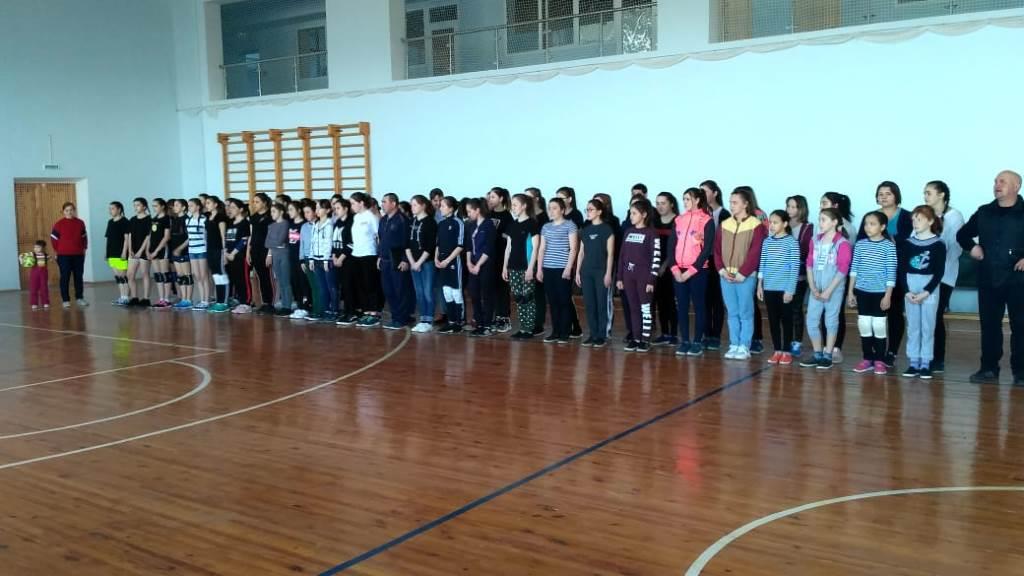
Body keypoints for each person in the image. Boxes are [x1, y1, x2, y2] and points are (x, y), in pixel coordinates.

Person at [956, 170, 1024, 385]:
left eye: (1002, 181)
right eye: (995, 181)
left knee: (1021, 326)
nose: (997, 185)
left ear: (1016, 186)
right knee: (989, 326)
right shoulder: (984, 211)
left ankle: (1021, 372)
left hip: (1019, 280)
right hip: (989, 278)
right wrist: (972, 247)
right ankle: (988, 369)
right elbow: (962, 235)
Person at [859, 181, 913, 367]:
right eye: (880, 194)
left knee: (895, 313)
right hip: (871, 275)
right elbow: (861, 241)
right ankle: (874, 353)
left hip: (896, 272)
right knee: (872, 317)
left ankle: (891, 351)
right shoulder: (870, 217)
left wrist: (889, 241)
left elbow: (910, 242)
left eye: (888, 193)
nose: (883, 197)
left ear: (896, 196)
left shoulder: (907, 216)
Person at [714, 187, 767, 360]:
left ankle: (744, 345)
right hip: (726, 276)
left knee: (745, 312)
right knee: (732, 312)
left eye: (735, 202)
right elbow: (717, 250)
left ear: (745, 204)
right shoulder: (724, 224)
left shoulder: (755, 225)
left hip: (745, 277)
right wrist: (721, 270)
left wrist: (743, 272)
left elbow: (755, 252)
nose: (731, 205)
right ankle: (734, 344)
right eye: (730, 202)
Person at [799, 208, 851, 370]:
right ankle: (817, 353)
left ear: (834, 222)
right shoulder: (815, 240)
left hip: (833, 290)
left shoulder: (842, 243)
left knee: (831, 321)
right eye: (819, 219)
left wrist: (828, 291)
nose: (820, 223)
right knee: (811, 320)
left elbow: (843, 269)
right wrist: (813, 287)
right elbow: (809, 264)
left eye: (824, 220)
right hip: (816, 290)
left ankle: (828, 354)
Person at [848, 211, 898, 376]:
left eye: (872, 224)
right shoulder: (860, 245)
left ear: (882, 227)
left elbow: (891, 272)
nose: (868, 227)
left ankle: (879, 360)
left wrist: (888, 295)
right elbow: (854, 269)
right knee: (864, 324)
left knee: (878, 325)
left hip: (880, 293)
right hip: (862, 291)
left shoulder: (888, 246)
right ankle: (867, 358)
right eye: (866, 224)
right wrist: (850, 292)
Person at [901, 205, 946, 380]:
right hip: (911, 286)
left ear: (931, 221)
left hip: (929, 288)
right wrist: (907, 291)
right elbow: (902, 269)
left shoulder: (938, 244)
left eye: (919, 219)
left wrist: (926, 292)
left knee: (928, 326)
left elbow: (939, 272)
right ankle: (913, 362)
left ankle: (926, 362)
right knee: (913, 326)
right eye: (913, 219)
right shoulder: (908, 243)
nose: (915, 223)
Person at [923, 180, 964, 374]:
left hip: (944, 274)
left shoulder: (954, 216)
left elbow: (955, 247)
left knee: (936, 315)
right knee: (924, 316)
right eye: (925, 193)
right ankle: (924, 355)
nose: (925, 196)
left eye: (929, 192)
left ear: (942, 195)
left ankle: (937, 358)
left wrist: (937, 260)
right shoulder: (925, 214)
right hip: (923, 274)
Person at [671, 187, 715, 357]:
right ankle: (685, 341)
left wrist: (690, 272)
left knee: (699, 306)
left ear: (697, 200)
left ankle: (697, 341)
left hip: (698, 271)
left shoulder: (706, 220)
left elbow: (707, 250)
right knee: (681, 306)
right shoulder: (678, 219)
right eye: (684, 199)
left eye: (688, 199)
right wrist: (675, 269)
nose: (685, 202)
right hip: (678, 271)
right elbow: (671, 246)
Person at [757, 210, 800, 365]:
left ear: (785, 224)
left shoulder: (791, 242)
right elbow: (762, 264)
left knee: (786, 320)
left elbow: (794, 268)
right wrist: (760, 285)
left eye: (775, 222)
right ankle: (777, 350)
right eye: (770, 222)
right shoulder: (767, 242)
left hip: (784, 289)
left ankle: (786, 351)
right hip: (769, 288)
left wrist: (790, 290)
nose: (772, 225)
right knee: (773, 320)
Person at [617, 199, 658, 352]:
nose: (631, 216)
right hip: (628, 277)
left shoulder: (651, 233)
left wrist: (651, 279)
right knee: (633, 308)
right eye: (630, 213)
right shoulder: (628, 232)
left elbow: (656, 257)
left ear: (644, 214)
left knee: (645, 308)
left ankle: (645, 340)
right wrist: (620, 277)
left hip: (644, 278)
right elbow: (622, 256)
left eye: (634, 213)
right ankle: (636, 338)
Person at [538, 197, 579, 344]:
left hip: (562, 268)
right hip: (548, 267)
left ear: (562, 210)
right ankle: (555, 331)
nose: (551, 211)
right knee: (553, 301)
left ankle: (565, 332)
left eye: (554, 208)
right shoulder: (546, 227)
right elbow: (542, 249)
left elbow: (573, 248)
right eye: (549, 208)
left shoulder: (570, 225)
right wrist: (539, 269)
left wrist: (568, 268)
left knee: (564, 301)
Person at [819, 192, 854, 362]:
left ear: (835, 206)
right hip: (821, 278)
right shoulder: (820, 227)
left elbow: (846, 259)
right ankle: (825, 346)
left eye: (824, 203)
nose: (821, 206)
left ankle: (835, 347)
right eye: (821, 203)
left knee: (836, 314)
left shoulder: (847, 227)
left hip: (837, 279)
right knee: (822, 314)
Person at [576, 198, 614, 347]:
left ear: (599, 212)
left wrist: (608, 273)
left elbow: (610, 254)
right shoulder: (585, 230)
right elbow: (581, 252)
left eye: (591, 209)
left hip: (601, 271)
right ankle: (592, 334)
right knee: (589, 304)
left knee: (601, 304)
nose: (588, 212)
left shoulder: (607, 229)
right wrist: (578, 272)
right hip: (586, 271)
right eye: (587, 209)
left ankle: (601, 335)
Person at [504, 193, 540, 341]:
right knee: (518, 297)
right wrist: (505, 267)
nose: (513, 208)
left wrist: (531, 268)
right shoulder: (512, 225)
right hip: (513, 266)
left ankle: (529, 329)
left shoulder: (532, 224)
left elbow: (535, 248)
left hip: (526, 267)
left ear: (524, 206)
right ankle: (522, 327)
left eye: (515, 205)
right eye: (512, 205)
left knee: (528, 297)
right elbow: (508, 247)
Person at [379, 193, 414, 329]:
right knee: (388, 290)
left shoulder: (402, 219)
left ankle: (402, 318)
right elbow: (381, 240)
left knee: (400, 290)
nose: (382, 204)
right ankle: (395, 316)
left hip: (398, 260)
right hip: (385, 260)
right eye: (382, 202)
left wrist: (405, 260)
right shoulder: (383, 220)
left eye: (385, 202)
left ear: (393, 204)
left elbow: (407, 240)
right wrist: (379, 256)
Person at [701, 180, 729, 350]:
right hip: (702, 261)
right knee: (704, 299)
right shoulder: (701, 213)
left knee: (717, 299)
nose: (702, 195)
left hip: (718, 261)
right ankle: (706, 334)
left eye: (705, 191)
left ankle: (715, 335)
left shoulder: (724, 214)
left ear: (715, 193)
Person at [786, 195, 813, 356]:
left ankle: (796, 342)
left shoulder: (807, 227)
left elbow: (805, 250)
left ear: (801, 209)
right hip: (782, 274)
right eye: (788, 206)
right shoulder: (783, 224)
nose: (790, 210)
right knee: (785, 310)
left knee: (796, 309)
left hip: (799, 275)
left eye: (794, 207)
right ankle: (786, 340)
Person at [350, 192, 382, 327]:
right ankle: (366, 311)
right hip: (356, 254)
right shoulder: (356, 217)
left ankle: (374, 313)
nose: (352, 206)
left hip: (369, 254)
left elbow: (378, 236)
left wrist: (379, 255)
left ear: (361, 203)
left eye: (353, 203)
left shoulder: (371, 216)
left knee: (370, 284)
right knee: (361, 285)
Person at [466, 198, 497, 337]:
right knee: (474, 294)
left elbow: (488, 248)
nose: (468, 214)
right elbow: (468, 246)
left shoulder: (489, 224)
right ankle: (479, 323)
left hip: (485, 265)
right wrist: (469, 262)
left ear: (477, 210)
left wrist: (478, 265)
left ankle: (487, 325)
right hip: (473, 264)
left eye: (470, 211)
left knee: (487, 294)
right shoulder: (471, 225)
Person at [407, 195, 438, 333]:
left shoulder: (430, 222)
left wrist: (419, 262)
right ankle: (422, 319)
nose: (412, 207)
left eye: (415, 205)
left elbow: (430, 246)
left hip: (426, 263)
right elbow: (407, 244)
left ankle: (428, 320)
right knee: (419, 292)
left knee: (427, 292)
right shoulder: (411, 222)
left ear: (423, 205)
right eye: (411, 205)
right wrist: (412, 262)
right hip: (413, 263)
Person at [652, 192, 679, 347]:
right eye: (657, 203)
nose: (660, 206)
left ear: (671, 204)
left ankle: (674, 334)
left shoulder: (678, 221)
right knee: (660, 301)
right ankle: (664, 333)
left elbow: (676, 247)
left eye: (663, 203)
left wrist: (665, 265)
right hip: (656, 268)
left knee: (671, 302)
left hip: (672, 268)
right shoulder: (654, 221)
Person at [436, 196, 466, 334]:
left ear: (451, 208)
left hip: (453, 262)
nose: (440, 208)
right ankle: (451, 321)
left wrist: (448, 260)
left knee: (456, 292)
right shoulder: (441, 224)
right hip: (442, 263)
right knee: (446, 292)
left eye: (443, 206)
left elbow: (460, 245)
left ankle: (459, 322)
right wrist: (436, 258)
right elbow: (438, 244)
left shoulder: (458, 223)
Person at [50, 202, 89, 309]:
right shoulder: (59, 224)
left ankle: (79, 298)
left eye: (71, 210)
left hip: (78, 255)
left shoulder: (80, 223)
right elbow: (53, 239)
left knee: (78, 277)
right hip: (63, 256)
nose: (69, 212)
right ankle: (66, 300)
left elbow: (84, 237)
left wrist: (84, 248)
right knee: (65, 277)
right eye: (67, 210)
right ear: (63, 212)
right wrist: (57, 251)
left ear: (74, 210)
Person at [487, 187, 514, 333]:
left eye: (493, 197)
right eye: (489, 197)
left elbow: (508, 238)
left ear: (501, 198)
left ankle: (504, 318)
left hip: (501, 258)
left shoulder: (507, 216)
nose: (490, 199)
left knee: (502, 288)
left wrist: (499, 236)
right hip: (489, 258)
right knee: (491, 289)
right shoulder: (488, 214)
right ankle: (495, 317)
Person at [331, 199, 358, 325]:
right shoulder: (337, 222)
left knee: (349, 286)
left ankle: (352, 312)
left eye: (338, 208)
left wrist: (341, 258)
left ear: (346, 209)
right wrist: (334, 256)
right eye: (335, 208)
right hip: (337, 259)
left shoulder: (351, 222)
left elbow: (351, 243)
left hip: (348, 260)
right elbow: (333, 242)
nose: (336, 211)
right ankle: (346, 311)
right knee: (343, 286)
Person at [248, 193, 275, 313]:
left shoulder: (270, 217)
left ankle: (270, 303)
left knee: (267, 277)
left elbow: (272, 236)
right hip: (255, 250)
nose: (254, 204)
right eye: (253, 202)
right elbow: (251, 235)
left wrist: (269, 254)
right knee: (260, 277)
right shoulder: (253, 217)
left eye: (257, 202)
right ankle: (264, 302)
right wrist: (248, 252)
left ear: (264, 203)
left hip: (265, 250)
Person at [266, 202, 294, 316]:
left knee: (286, 280)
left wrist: (274, 243)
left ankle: (288, 306)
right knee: (280, 281)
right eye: (271, 212)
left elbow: (280, 240)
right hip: (275, 254)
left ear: (281, 212)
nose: (272, 214)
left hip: (284, 254)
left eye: (274, 211)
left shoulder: (285, 223)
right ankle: (283, 304)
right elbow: (267, 242)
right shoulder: (271, 225)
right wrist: (274, 244)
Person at [224, 199, 251, 314]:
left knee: (243, 279)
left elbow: (244, 240)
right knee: (235, 279)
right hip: (229, 256)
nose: (231, 209)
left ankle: (246, 303)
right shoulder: (231, 222)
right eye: (230, 207)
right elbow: (228, 239)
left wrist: (233, 253)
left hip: (240, 256)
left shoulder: (245, 223)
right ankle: (239, 301)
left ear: (241, 209)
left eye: (233, 207)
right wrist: (226, 253)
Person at [310, 200, 336, 320]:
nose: (317, 211)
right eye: (316, 208)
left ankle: (333, 310)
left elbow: (329, 243)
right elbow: (312, 242)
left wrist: (326, 260)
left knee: (331, 286)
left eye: (319, 208)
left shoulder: (330, 224)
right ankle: (324, 309)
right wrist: (311, 259)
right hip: (316, 259)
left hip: (326, 260)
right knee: (321, 287)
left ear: (328, 210)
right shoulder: (315, 224)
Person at [203, 197, 230, 313]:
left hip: (218, 250)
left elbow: (223, 236)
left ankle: (224, 302)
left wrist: (224, 252)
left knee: (221, 274)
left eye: (209, 203)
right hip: (210, 250)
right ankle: (218, 301)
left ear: (215, 205)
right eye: (206, 203)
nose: (206, 205)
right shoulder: (208, 217)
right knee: (215, 276)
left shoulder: (221, 217)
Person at [286, 201, 311, 319]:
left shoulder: (304, 225)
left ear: (298, 210)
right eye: (288, 210)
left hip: (301, 258)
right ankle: (299, 304)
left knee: (303, 282)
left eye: (291, 209)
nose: (289, 212)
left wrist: (302, 259)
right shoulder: (291, 225)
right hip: (292, 258)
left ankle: (306, 306)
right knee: (294, 281)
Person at [147, 198, 173, 309]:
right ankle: (161, 298)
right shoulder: (153, 219)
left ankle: (167, 299)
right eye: (153, 206)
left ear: (162, 206)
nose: (154, 208)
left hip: (162, 250)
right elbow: (150, 236)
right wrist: (148, 250)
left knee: (164, 274)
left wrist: (157, 251)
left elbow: (167, 237)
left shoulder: (167, 219)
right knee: (158, 275)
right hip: (153, 250)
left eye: (156, 206)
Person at [126, 197, 152, 307]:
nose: (135, 207)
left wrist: (141, 251)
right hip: (133, 251)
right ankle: (134, 297)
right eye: (134, 205)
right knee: (130, 274)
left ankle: (146, 298)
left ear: (144, 206)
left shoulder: (149, 219)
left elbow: (148, 236)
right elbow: (130, 235)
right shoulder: (132, 219)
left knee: (145, 273)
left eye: (138, 205)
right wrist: (130, 249)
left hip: (144, 250)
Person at [185, 198, 210, 310]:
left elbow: (206, 236)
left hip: (202, 250)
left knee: (204, 276)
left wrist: (207, 249)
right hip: (192, 251)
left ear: (198, 207)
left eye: (191, 205)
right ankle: (201, 299)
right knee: (197, 276)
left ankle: (206, 300)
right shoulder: (188, 220)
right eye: (188, 206)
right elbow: (189, 237)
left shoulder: (204, 219)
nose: (189, 207)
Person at [105, 201, 131, 306]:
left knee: (123, 276)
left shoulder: (125, 221)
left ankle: (126, 297)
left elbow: (127, 238)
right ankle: (122, 296)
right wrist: (107, 253)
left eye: (112, 208)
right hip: (112, 253)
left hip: (121, 253)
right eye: (109, 209)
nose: (110, 211)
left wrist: (124, 252)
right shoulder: (110, 222)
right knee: (118, 277)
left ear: (119, 209)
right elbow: (108, 238)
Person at [168, 199, 193, 310]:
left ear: (183, 207)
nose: (175, 207)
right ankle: (183, 298)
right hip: (175, 251)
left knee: (187, 275)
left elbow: (190, 237)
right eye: (174, 205)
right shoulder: (174, 220)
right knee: (180, 276)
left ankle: (189, 299)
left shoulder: (187, 219)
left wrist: (180, 248)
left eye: (177, 205)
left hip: (184, 251)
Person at [21, 240, 50, 310]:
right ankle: (34, 303)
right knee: (33, 288)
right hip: (34, 273)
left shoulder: (46, 255)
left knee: (44, 288)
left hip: (43, 273)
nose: (36, 249)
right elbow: (22, 255)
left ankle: (45, 302)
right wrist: (21, 260)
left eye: (38, 247)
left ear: (43, 248)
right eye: (35, 247)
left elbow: (51, 259)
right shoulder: (32, 254)